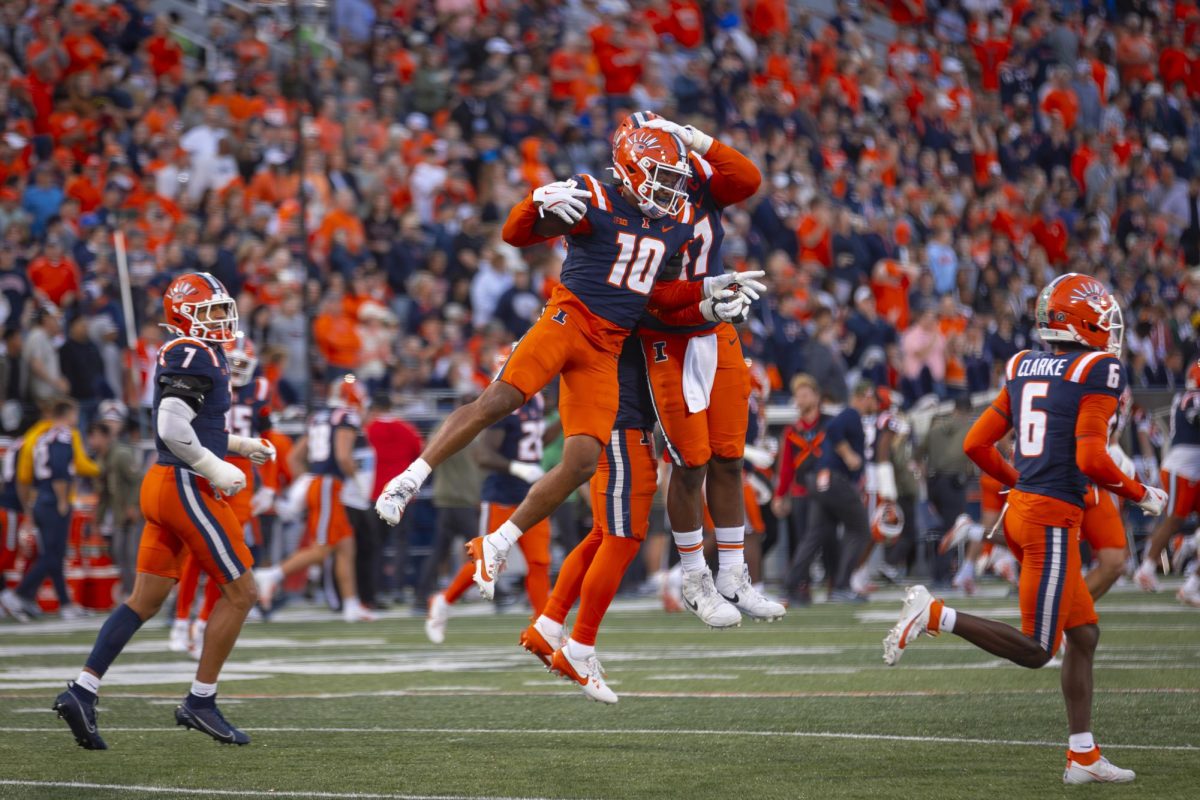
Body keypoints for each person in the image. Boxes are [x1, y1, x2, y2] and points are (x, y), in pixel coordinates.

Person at [375, 114, 761, 601]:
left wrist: (708, 296)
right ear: (632, 171)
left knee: (580, 461)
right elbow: (516, 236)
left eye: (674, 182)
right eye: (662, 180)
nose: (671, 192)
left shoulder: (672, 225)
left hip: (608, 347)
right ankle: (409, 480)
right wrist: (533, 203)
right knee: (498, 401)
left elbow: (660, 295)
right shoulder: (592, 195)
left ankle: (498, 541)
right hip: (568, 322)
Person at [884, 274, 1168, 784]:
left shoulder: (1021, 364)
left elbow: (976, 444)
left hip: (1024, 510)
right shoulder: (1099, 367)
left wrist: (1022, 482)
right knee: (1038, 648)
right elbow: (1090, 455)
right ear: (1079, 322)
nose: (1109, 329)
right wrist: (1140, 492)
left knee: (1083, 634)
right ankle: (934, 614)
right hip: (1050, 518)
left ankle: (1082, 754)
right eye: (1102, 319)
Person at [52, 272, 273, 749]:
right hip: (184, 483)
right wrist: (215, 467)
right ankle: (201, 700)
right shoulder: (194, 351)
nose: (221, 318)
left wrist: (236, 444)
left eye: (221, 309)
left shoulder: (198, 352)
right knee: (242, 592)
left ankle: (82, 690)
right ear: (184, 313)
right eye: (211, 310)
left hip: (165, 482)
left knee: (145, 600)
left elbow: (193, 425)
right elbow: (172, 425)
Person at [631, 112, 781, 628]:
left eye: (675, 168)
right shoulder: (629, 214)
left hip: (714, 330)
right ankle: (695, 577)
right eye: (660, 172)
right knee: (690, 461)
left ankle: (735, 574)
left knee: (730, 456)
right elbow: (649, 297)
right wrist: (705, 305)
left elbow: (748, 179)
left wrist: (699, 139)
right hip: (667, 338)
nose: (671, 183)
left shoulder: (692, 178)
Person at [520, 336, 657, 703]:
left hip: (612, 423)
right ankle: (579, 645)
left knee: (603, 533)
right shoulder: (618, 303)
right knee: (623, 537)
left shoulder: (599, 304)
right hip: (621, 424)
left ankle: (549, 624)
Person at [425, 348, 558, 643]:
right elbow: (483, 455)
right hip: (501, 494)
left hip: (531, 494)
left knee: (539, 562)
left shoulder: (534, 399)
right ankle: (443, 601)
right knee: (487, 563)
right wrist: (518, 468)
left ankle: (543, 629)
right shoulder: (502, 403)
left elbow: (535, 440)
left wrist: (564, 420)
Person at [171, 334, 269, 656]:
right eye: (233, 361)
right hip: (206, 465)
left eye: (243, 363)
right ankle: (181, 620)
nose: (238, 369)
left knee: (228, 554)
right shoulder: (207, 378)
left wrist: (268, 484)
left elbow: (267, 435)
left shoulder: (260, 390)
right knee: (197, 551)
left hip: (242, 476)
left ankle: (201, 623)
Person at [253, 375, 377, 622]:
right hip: (330, 484)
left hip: (320, 484)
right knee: (321, 550)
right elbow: (343, 457)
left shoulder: (319, 416)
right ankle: (272, 575)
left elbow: (294, 458)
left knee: (346, 546)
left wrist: (309, 481)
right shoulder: (346, 417)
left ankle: (351, 605)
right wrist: (359, 483)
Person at [0, 399, 85, 620]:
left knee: (52, 554)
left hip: (40, 497)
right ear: (66, 413)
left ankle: (58, 602)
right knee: (51, 554)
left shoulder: (41, 436)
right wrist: (62, 499)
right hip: (51, 497)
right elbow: (58, 468)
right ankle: (18, 594)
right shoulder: (63, 434)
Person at [1134, 359, 1200, 602]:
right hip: (1181, 467)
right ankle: (1147, 568)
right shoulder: (1191, 399)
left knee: (1176, 520)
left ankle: (1192, 578)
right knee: (1174, 519)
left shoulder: (1183, 396)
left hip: (1191, 467)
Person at [808, 381, 875, 601]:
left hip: (827, 479)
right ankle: (841, 585)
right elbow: (833, 429)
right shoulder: (851, 414)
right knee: (860, 529)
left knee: (820, 532)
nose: (873, 403)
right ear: (863, 396)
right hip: (836, 480)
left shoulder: (851, 416)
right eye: (871, 398)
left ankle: (795, 583)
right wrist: (848, 455)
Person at [771, 374, 831, 605]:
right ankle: (799, 585)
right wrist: (780, 495)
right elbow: (786, 467)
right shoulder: (791, 431)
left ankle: (833, 582)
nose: (800, 399)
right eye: (797, 395)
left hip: (825, 492)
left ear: (816, 397)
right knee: (800, 541)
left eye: (805, 394)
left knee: (826, 540)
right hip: (800, 493)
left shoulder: (828, 425)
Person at [363, 397, 423, 609]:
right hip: (403, 494)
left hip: (375, 492)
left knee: (376, 545)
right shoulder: (407, 429)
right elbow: (419, 455)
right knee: (401, 544)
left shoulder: (369, 430)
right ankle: (397, 588)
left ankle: (377, 589)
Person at [89, 403, 142, 597]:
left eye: (95, 436)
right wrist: (98, 518)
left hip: (130, 512)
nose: (92, 441)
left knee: (131, 555)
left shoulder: (121, 454)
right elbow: (104, 494)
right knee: (120, 554)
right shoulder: (101, 459)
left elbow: (138, 480)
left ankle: (139, 594)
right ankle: (131, 592)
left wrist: (133, 506)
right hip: (118, 514)